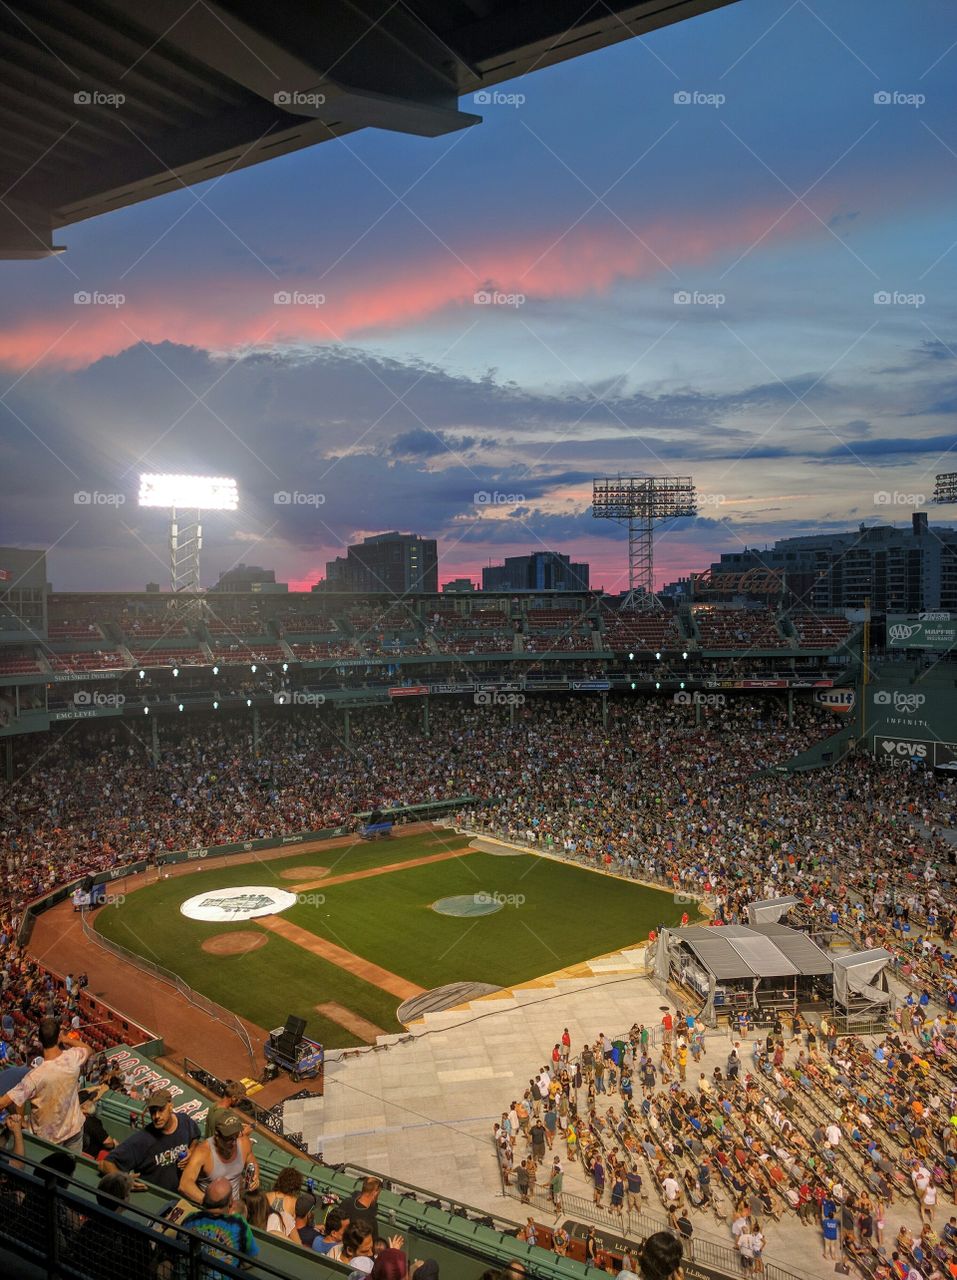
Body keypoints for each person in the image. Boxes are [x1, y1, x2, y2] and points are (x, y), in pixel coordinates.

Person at [0, 1017, 91, 1151]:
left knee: (48, 1170)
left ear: (41, 1041)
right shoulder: (72, 1057)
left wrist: (22, 1122)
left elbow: (3, 1103)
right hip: (74, 1130)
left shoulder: (34, 1076)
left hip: (48, 1140)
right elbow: (88, 1049)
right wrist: (66, 1039)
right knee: (70, 1170)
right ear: (58, 1037)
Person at [103, 1088, 201, 1192]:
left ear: (171, 1106)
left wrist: (192, 1151)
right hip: (153, 1198)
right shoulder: (142, 1139)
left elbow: (195, 1137)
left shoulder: (185, 1121)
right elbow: (106, 1164)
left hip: (180, 1194)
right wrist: (123, 1182)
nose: (156, 1116)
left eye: (161, 1110)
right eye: (153, 1111)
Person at [178, 1111, 258, 1204]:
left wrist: (255, 1177)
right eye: (229, 1138)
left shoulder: (243, 1142)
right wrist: (212, 1203)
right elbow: (184, 1185)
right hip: (212, 1211)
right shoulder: (203, 1152)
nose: (234, 1142)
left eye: (236, 1136)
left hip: (234, 1206)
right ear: (217, 1136)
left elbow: (252, 1163)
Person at [182, 1177, 259, 1272]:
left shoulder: (190, 1218)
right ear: (230, 1201)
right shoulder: (238, 1224)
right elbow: (252, 1258)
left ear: (205, 1199)